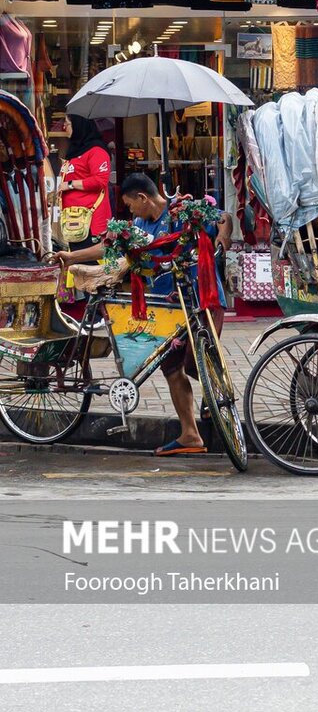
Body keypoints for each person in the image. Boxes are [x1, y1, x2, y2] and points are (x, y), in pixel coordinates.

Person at [56, 174, 234, 457]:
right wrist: (72, 257)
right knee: (172, 368)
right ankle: (190, 435)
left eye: (130, 205)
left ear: (143, 198)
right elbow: (111, 248)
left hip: (202, 298)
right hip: (167, 307)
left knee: (194, 363)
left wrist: (223, 239)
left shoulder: (181, 210)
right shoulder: (138, 226)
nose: (130, 212)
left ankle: (216, 395)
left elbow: (222, 216)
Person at [56, 115, 112, 256]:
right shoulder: (76, 152)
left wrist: (69, 184)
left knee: (88, 266)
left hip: (90, 223)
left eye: (67, 124)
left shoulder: (96, 151)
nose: (64, 127)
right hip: (74, 221)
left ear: (79, 126)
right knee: (76, 263)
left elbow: (100, 181)